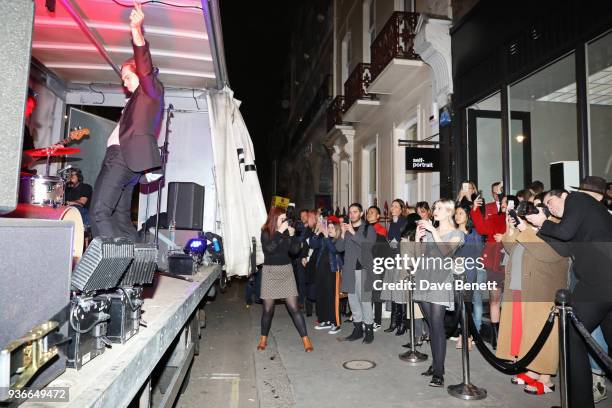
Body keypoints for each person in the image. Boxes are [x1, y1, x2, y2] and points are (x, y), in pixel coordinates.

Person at [526, 177, 612, 407]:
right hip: (602, 280)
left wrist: (544, 222)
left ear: (564, 195)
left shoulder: (576, 198)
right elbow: (565, 247)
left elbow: (563, 232)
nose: (550, 208)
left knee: (572, 334)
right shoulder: (585, 215)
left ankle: (580, 403)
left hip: (600, 279)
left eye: (550, 202)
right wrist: (538, 230)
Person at [91, 1, 164, 240]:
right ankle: (134, 267)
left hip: (122, 158)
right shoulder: (137, 100)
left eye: (126, 76)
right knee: (121, 218)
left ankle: (111, 268)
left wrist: (136, 31)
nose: (124, 82)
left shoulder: (150, 90)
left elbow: (144, 67)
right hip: (130, 163)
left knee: (100, 212)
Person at [498, 204, 569, 396]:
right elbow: (510, 248)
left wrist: (525, 230)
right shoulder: (529, 231)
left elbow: (547, 254)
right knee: (527, 333)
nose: (530, 215)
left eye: (536, 211)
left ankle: (546, 379)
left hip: (543, 293)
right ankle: (532, 370)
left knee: (543, 334)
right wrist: (511, 227)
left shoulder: (555, 232)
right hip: (522, 288)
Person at [413, 199, 464, 387]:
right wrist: (418, 240)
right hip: (424, 277)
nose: (435, 210)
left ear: (449, 211)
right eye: (435, 207)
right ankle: (436, 365)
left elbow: (446, 252)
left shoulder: (457, 233)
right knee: (431, 326)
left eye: (440, 208)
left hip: (440, 281)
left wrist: (432, 231)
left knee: (436, 325)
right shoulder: (428, 232)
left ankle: (439, 373)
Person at [257, 207, 313, 352]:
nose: (285, 221)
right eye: (282, 219)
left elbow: (294, 251)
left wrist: (293, 236)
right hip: (270, 272)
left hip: (286, 271)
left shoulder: (287, 231)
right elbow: (269, 249)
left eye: (285, 219)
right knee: (268, 309)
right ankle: (263, 338)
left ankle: (306, 339)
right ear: (274, 219)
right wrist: (280, 233)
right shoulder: (266, 232)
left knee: (294, 308)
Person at [471, 194, 513, 349]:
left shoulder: (522, 221)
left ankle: (510, 336)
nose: (502, 205)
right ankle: (496, 337)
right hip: (494, 265)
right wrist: (475, 209)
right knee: (494, 300)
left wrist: (505, 237)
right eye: (501, 203)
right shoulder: (495, 218)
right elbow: (481, 228)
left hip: (512, 267)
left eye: (505, 203)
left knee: (510, 303)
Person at [335, 203, 377, 344]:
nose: (352, 214)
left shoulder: (368, 228)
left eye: (355, 212)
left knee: (365, 301)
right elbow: (339, 248)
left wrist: (353, 233)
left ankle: (369, 330)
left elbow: (368, 246)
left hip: (364, 270)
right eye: (351, 212)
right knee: (353, 302)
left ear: (361, 213)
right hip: (349, 270)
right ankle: (358, 329)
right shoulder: (346, 229)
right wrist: (342, 233)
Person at [452, 204, 484, 349]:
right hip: (454, 271)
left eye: (461, 213)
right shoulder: (452, 233)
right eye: (456, 214)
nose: (457, 216)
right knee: (458, 304)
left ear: (467, 216)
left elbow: (479, 252)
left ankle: (468, 336)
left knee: (467, 304)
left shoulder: (474, 233)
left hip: (470, 271)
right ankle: (461, 334)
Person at [309, 216, 343, 334]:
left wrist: (327, 237)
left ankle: (336, 323)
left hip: (332, 271)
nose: (329, 229)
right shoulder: (325, 238)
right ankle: (324, 320)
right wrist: (317, 232)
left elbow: (334, 250)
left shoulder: (339, 239)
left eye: (332, 227)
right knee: (321, 296)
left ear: (337, 228)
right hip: (321, 271)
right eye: (328, 227)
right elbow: (313, 245)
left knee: (331, 297)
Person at [381, 199, 409, 335]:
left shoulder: (404, 221)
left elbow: (403, 240)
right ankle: (393, 322)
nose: (392, 208)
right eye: (392, 206)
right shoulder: (392, 222)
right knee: (392, 292)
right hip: (392, 260)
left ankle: (402, 323)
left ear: (401, 209)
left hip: (401, 261)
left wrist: (395, 243)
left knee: (400, 293)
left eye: (395, 206)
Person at [366, 205, 387, 331]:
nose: (369, 214)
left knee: (376, 294)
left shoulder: (380, 230)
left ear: (378, 216)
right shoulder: (366, 228)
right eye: (368, 212)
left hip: (377, 264)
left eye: (372, 212)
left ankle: (377, 320)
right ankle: (368, 318)